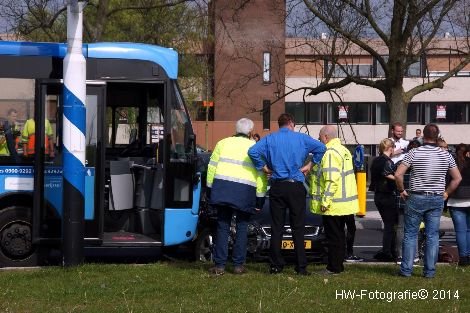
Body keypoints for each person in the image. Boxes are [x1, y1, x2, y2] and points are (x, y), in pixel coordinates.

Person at [248, 113, 326, 275]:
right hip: (296, 185)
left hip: (277, 185)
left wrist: (264, 168)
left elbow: (253, 151)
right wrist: (310, 165)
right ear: (291, 123)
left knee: (277, 227)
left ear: (279, 124)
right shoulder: (301, 138)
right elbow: (322, 148)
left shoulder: (270, 139)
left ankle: (275, 265)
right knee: (298, 227)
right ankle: (301, 266)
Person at [395, 123, 462, 278]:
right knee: (432, 235)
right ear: (437, 136)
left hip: (416, 196)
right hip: (436, 197)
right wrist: (446, 193)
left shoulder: (414, 153)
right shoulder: (446, 155)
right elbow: (457, 178)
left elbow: (398, 175)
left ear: (423, 136)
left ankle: (406, 270)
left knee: (411, 234)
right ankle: (429, 271)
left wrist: (402, 190)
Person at [206, 118, 267, 276]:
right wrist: (260, 198)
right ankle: (238, 266)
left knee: (223, 226)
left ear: (236, 129)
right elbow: (261, 175)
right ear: (250, 132)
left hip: (223, 189)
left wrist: (209, 189)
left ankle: (219, 266)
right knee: (241, 227)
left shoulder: (222, 143)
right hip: (245, 192)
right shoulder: (255, 147)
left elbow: (211, 168)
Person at [309, 125, 359, 274]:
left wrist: (325, 201)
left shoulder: (330, 153)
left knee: (333, 237)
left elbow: (332, 180)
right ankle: (338, 265)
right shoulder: (343, 150)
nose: (319, 140)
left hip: (334, 205)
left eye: (319, 137)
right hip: (344, 203)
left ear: (325, 137)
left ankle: (333, 268)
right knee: (339, 237)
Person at [369, 138, 398, 262]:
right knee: (390, 225)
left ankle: (389, 250)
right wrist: (397, 178)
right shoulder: (388, 162)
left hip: (378, 195)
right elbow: (386, 174)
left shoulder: (376, 160)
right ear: (391, 148)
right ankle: (388, 251)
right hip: (387, 195)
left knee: (388, 224)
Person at [395, 139, 422, 265]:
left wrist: (401, 190)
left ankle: (400, 255)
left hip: (402, 197)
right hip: (417, 198)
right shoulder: (422, 165)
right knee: (414, 229)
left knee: (401, 228)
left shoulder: (401, 163)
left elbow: (396, 177)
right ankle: (415, 256)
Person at [448, 144, 470, 266]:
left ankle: (463, 258)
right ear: (467, 152)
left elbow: (448, 181)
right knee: (469, 230)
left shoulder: (453, 163)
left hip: (456, 200)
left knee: (460, 231)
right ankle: (468, 255)